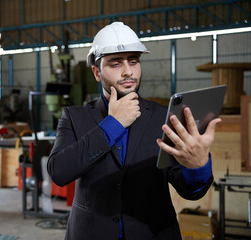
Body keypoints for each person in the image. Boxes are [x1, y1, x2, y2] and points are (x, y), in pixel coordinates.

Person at [47, 22, 219, 240]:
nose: (128, 71)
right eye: (115, 63)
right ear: (97, 73)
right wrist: (113, 124)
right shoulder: (74, 117)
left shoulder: (163, 118)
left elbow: (191, 191)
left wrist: (198, 167)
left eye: (133, 61)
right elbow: (59, 172)